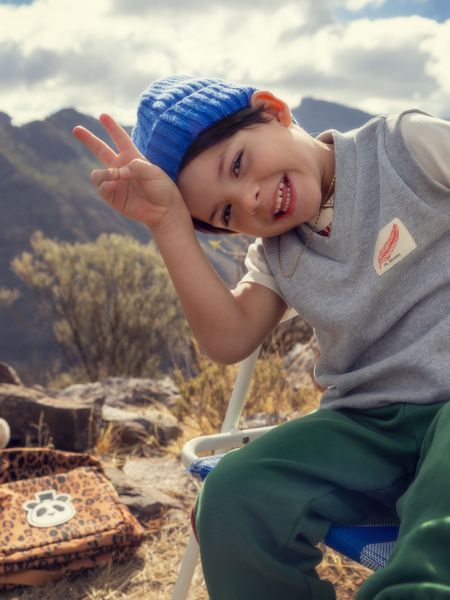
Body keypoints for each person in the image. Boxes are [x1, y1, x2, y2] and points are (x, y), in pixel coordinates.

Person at [73, 75, 450, 599]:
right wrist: (169, 223)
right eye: (226, 214)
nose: (249, 200)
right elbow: (229, 340)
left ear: (272, 110)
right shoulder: (276, 253)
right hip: (367, 429)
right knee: (233, 493)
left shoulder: (406, 147)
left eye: (237, 164)